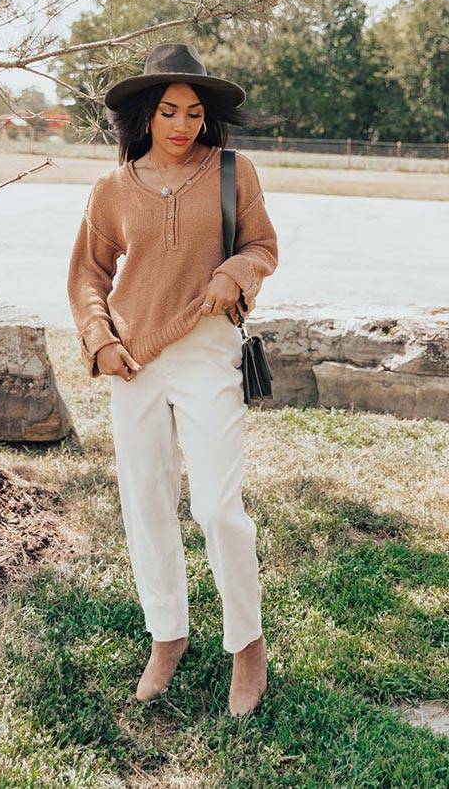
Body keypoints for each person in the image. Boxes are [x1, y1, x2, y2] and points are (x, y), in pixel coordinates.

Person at [67, 42, 279, 716]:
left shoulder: (232, 172)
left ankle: (248, 645)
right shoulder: (112, 188)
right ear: (146, 116)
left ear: (206, 115)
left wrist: (234, 273)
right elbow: (88, 274)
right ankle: (168, 636)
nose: (182, 124)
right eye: (167, 112)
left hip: (208, 350)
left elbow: (263, 246)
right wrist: (99, 340)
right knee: (146, 502)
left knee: (217, 507)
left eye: (192, 112)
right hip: (134, 361)